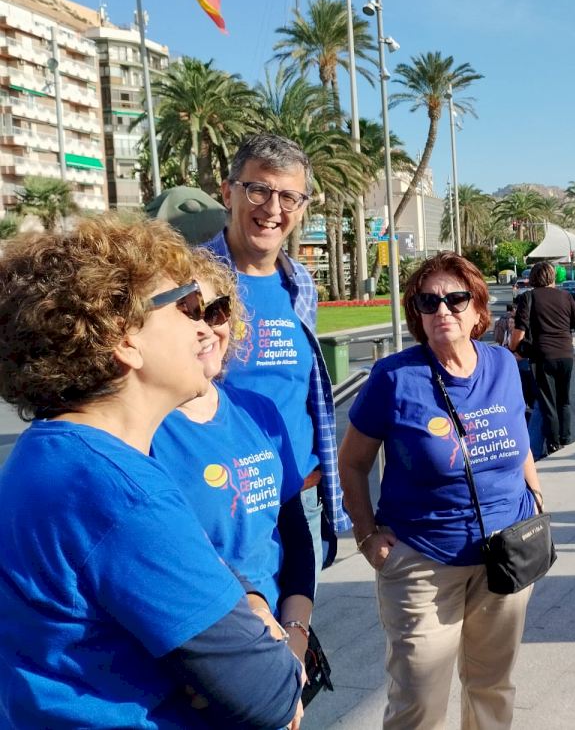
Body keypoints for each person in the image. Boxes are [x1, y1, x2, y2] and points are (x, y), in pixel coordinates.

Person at [0, 216, 302, 729]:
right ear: (124, 339)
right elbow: (271, 695)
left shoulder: (49, 454)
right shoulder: (121, 493)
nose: (205, 327)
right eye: (187, 306)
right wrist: (271, 654)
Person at [339, 252, 544, 729]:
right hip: (423, 560)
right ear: (417, 314)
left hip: (506, 555)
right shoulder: (393, 378)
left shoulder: (502, 364)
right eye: (428, 302)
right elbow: (351, 462)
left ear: (478, 309)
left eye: (455, 299)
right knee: (418, 702)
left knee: (492, 687)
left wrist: (536, 500)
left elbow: (520, 443)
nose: (442, 310)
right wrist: (367, 536)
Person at [152, 249, 316, 663]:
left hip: (280, 635)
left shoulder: (259, 411)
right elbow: (175, 555)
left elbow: (293, 532)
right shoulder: (146, 429)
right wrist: (256, 615)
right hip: (206, 644)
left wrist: (296, 633)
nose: (206, 329)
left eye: (217, 312)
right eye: (189, 313)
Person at [204, 132, 351, 575]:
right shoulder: (191, 280)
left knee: (300, 618)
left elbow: (304, 392)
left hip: (300, 499)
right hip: (223, 505)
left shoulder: (299, 282)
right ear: (228, 193)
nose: (273, 209)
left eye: (289, 197)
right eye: (258, 190)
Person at [508, 261, 575, 453]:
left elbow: (520, 330)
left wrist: (513, 348)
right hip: (566, 355)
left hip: (543, 357)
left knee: (548, 403)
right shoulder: (566, 296)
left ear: (533, 278)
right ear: (553, 277)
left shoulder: (529, 297)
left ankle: (553, 443)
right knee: (564, 400)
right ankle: (565, 438)